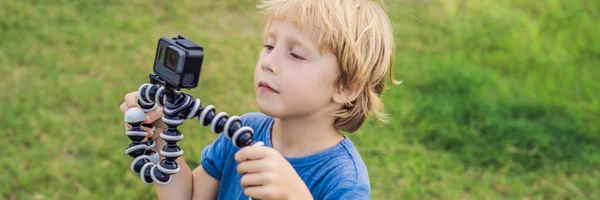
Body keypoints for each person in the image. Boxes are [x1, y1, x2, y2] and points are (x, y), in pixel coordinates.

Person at [119, 0, 399, 199]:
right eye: (269, 45)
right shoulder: (241, 132)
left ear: (346, 87)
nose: (269, 62)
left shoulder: (342, 179)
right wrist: (158, 140)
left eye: (296, 54)